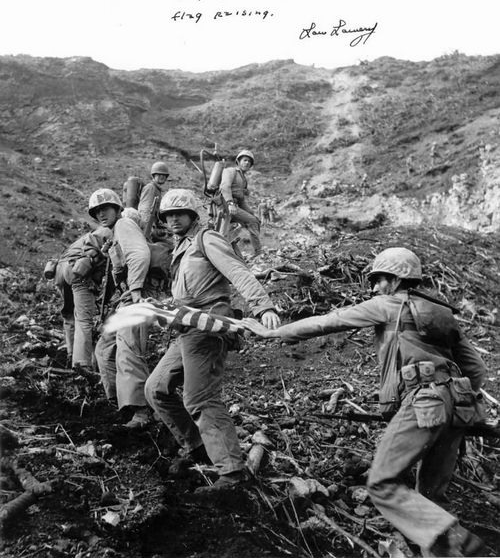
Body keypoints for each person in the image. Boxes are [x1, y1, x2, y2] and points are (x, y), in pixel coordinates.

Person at [243, 247, 486, 557]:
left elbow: (329, 321)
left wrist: (275, 333)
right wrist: (452, 401)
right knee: (429, 500)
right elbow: (476, 369)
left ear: (396, 280)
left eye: (380, 279)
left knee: (382, 483)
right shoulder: (442, 314)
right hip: (458, 409)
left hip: (424, 402)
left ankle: (458, 541)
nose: (375, 287)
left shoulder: (388, 305)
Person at [144, 189, 280, 491]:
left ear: (192, 214)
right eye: (168, 215)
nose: (173, 219)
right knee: (156, 389)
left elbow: (237, 271)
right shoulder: (181, 247)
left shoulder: (207, 239)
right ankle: (199, 449)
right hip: (186, 327)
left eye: (179, 213)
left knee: (200, 398)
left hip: (209, 327)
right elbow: (187, 292)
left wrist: (263, 306)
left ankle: (231, 473)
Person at [88, 191, 165, 429]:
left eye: (106, 208)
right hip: (125, 296)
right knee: (104, 349)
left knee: (128, 350)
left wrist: (136, 289)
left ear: (117, 208)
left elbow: (140, 254)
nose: (101, 214)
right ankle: (120, 403)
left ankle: (141, 410)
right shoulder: (115, 234)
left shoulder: (123, 224)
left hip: (137, 294)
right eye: (97, 211)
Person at [54, 227, 113, 369]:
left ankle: (71, 354)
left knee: (69, 315)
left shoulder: (89, 235)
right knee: (84, 320)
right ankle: (82, 364)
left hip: (60, 270)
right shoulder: (112, 232)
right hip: (77, 271)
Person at [219, 149, 262, 258]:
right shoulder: (230, 171)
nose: (247, 163)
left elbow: (241, 199)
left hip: (234, 206)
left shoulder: (243, 179)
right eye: (245, 160)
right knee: (252, 222)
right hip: (225, 205)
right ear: (238, 161)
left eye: (249, 162)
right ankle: (258, 253)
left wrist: (251, 213)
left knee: (254, 220)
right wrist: (230, 203)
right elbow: (225, 187)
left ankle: (231, 252)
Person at [138, 161, 169, 240]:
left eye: (164, 175)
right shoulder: (150, 188)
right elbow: (145, 209)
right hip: (148, 226)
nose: (162, 177)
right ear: (154, 175)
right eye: (159, 175)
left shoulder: (157, 189)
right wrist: (149, 228)